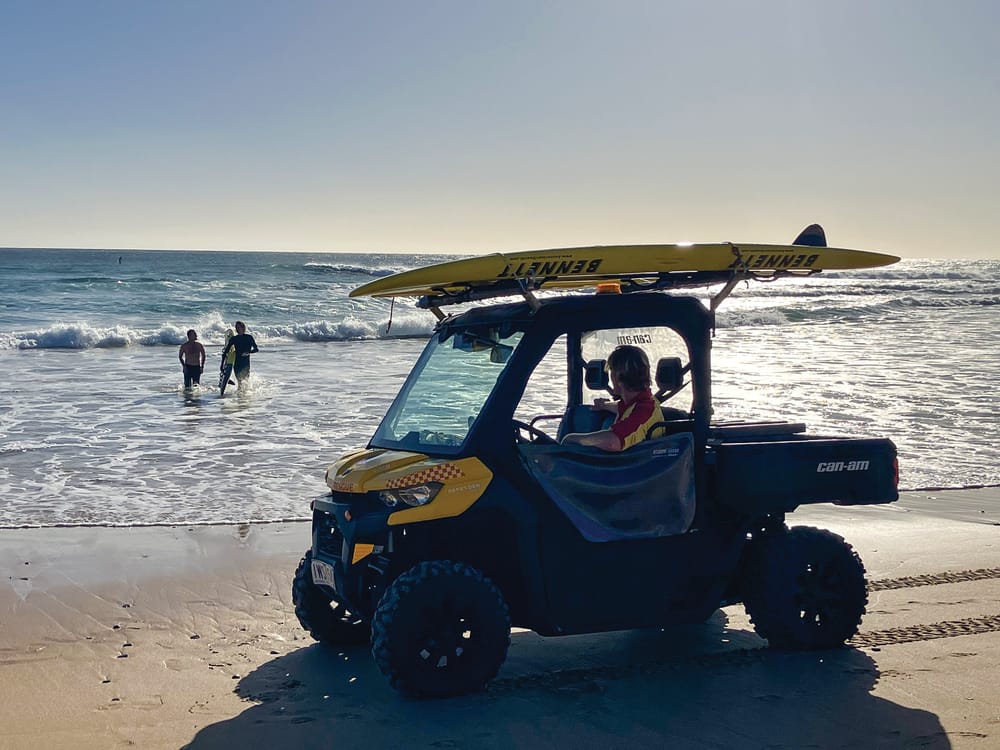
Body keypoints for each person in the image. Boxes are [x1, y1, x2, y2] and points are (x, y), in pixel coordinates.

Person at [561, 345, 660, 452]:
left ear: (617, 377)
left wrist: (572, 439)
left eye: (611, 371)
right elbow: (621, 406)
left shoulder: (644, 410)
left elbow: (613, 442)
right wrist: (604, 405)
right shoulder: (638, 403)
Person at [222, 320, 259, 388]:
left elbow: (256, 349)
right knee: (239, 382)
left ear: (243, 327)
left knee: (246, 380)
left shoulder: (249, 337)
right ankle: (240, 393)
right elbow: (225, 352)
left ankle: (246, 394)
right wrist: (222, 365)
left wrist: (249, 352)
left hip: (246, 362)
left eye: (240, 327)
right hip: (237, 362)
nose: (238, 329)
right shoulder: (234, 339)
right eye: (237, 327)